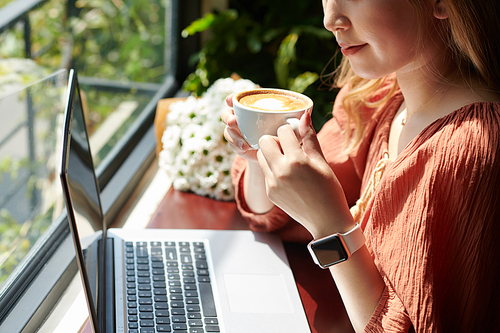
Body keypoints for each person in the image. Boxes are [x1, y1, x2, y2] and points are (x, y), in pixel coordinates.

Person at [222, 0, 500, 331]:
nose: (330, 19)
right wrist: (260, 157)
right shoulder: (377, 96)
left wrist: (330, 226)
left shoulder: (471, 147)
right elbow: (274, 214)